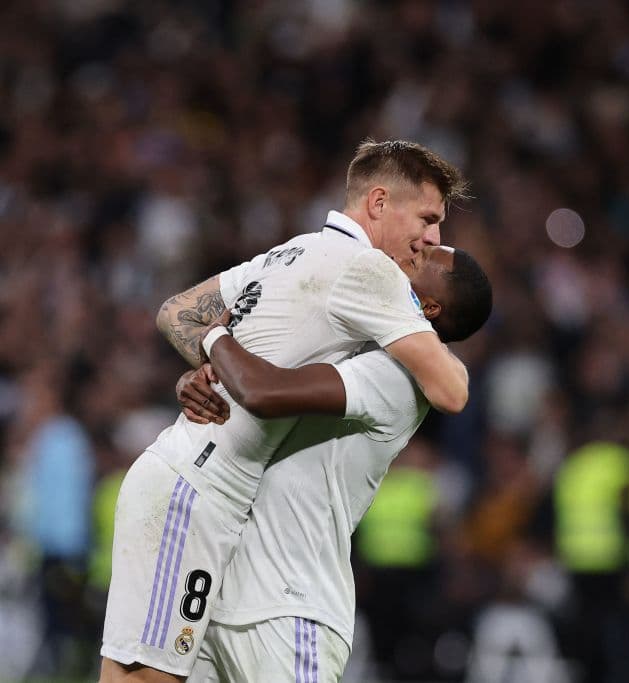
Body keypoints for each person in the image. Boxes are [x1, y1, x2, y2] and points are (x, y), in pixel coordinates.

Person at [101, 140, 471, 683]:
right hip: (196, 492)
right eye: (428, 218)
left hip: (210, 505)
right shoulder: (372, 273)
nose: (434, 237)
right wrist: (216, 354)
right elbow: (452, 389)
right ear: (378, 202)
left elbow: (178, 312)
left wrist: (211, 353)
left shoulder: (292, 252)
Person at [179, 245, 491, 681]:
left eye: (420, 264)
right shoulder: (359, 343)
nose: (406, 257)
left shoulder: (393, 376)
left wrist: (212, 339)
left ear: (429, 305)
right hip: (232, 587)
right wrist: (198, 376)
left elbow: (264, 392)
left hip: (292, 602)